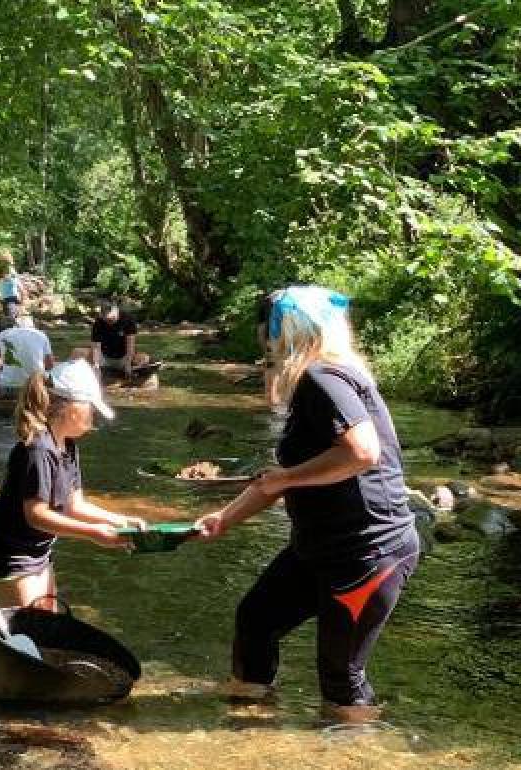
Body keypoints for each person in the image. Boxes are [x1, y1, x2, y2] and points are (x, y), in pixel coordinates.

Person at [194, 286, 419, 724]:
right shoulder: (314, 381)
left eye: (271, 328)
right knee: (256, 620)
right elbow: (279, 480)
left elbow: (362, 452)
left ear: (288, 329)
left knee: (341, 676)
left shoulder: (323, 377)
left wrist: (288, 478)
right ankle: (247, 727)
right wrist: (222, 519)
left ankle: (354, 753)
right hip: (320, 546)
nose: (266, 339)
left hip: (368, 551)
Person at [0, 359, 142, 608]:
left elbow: (76, 506)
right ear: (70, 408)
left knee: (46, 623)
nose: (94, 415)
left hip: (36, 549)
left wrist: (121, 521)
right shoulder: (38, 450)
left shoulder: (68, 445)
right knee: (31, 629)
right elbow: (36, 516)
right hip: (9, 551)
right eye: (91, 408)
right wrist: (94, 533)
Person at [0, 317, 54, 401]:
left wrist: (3, 368)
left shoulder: (3, 334)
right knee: (48, 374)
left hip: (8, 389)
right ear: (33, 326)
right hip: (34, 390)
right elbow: (50, 366)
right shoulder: (41, 335)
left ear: (14, 326)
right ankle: (43, 398)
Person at [89, 300, 150, 378]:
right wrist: (96, 365)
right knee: (78, 352)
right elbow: (96, 346)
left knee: (145, 358)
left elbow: (130, 344)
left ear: (116, 310)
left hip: (124, 358)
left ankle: (130, 371)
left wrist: (128, 363)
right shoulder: (98, 322)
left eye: (111, 319)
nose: (109, 321)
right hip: (104, 358)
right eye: (106, 319)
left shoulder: (128, 319)